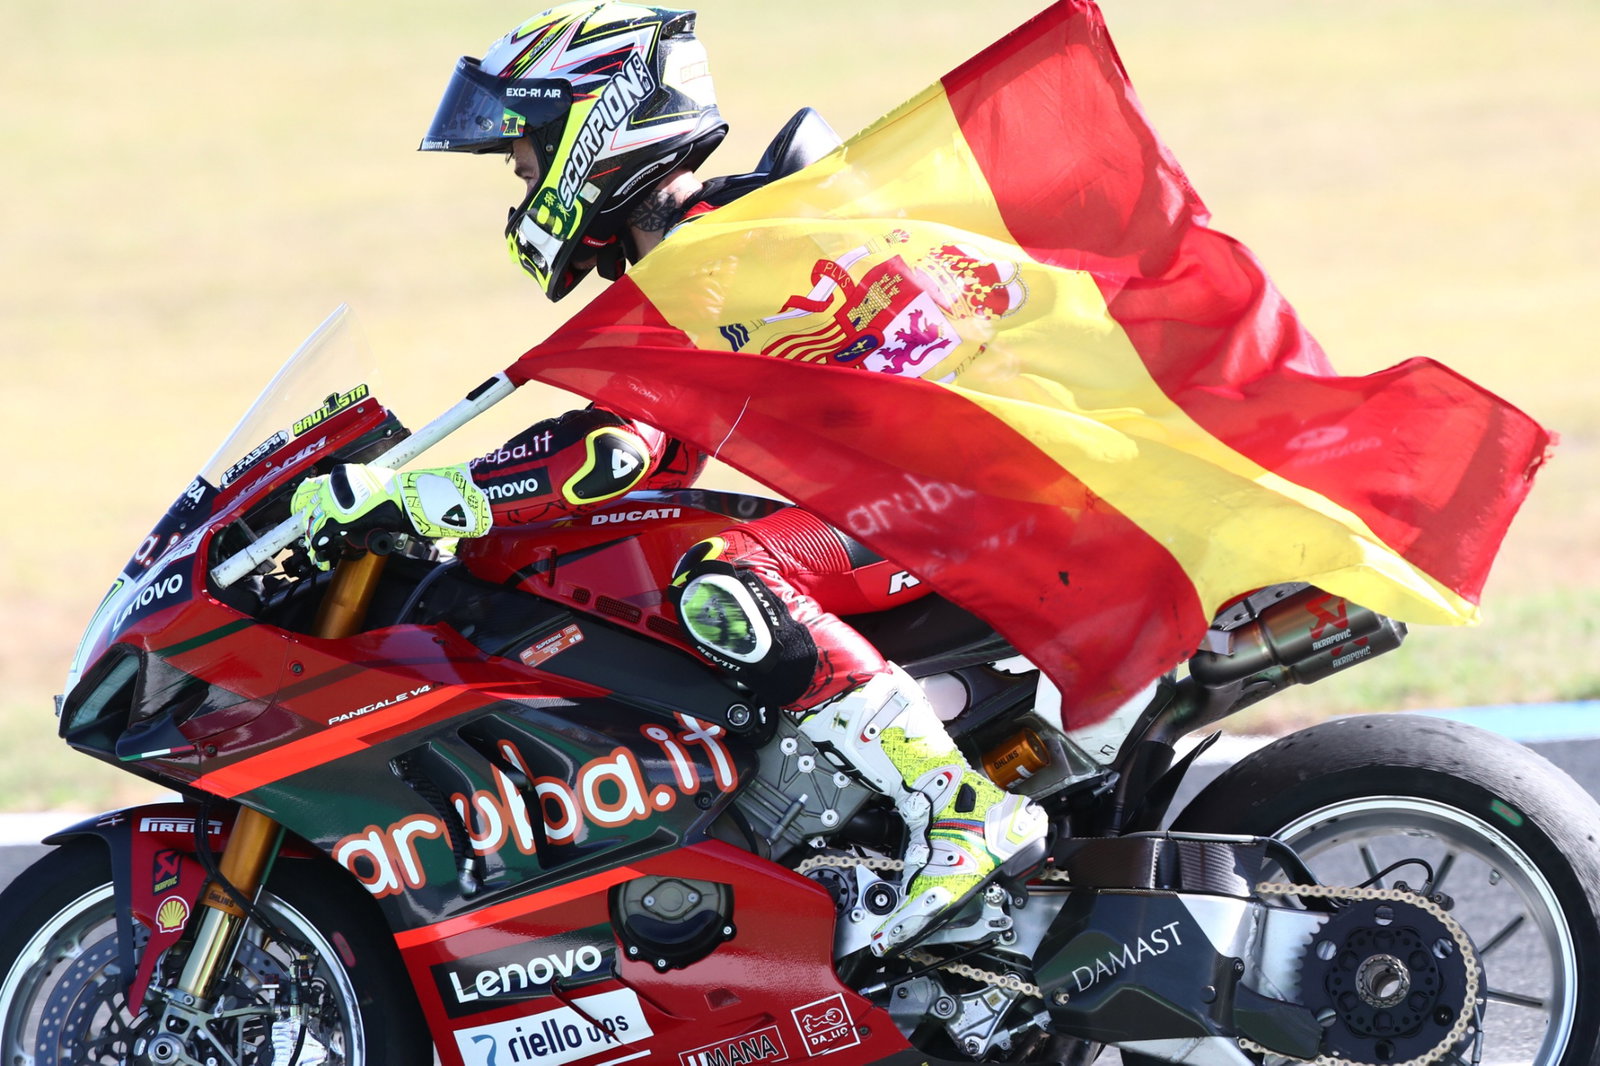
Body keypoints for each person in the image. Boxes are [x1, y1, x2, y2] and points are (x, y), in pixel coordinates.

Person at [291, 1, 1046, 955]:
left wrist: (424, 495)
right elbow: (653, 454)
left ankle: (956, 812)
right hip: (935, 492)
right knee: (658, 544)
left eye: (525, 165)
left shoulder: (713, 251)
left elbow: (611, 456)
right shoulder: (695, 245)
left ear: (594, 131)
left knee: (715, 579)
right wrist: (462, 496)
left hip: (968, 497)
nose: (522, 195)